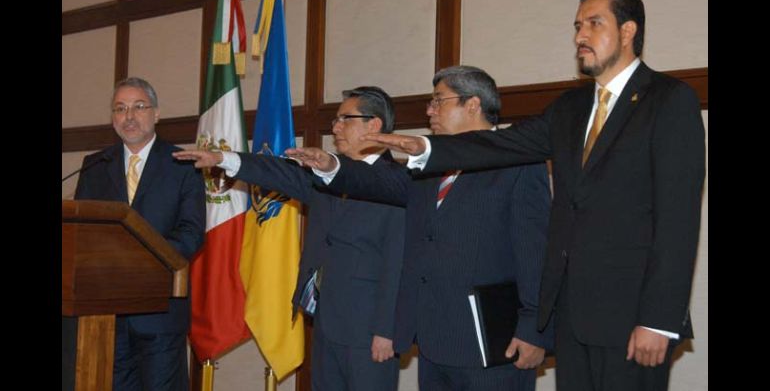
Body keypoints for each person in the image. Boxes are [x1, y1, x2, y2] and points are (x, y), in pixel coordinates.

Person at [347, 0, 706, 391]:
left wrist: (658, 318)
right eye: (576, 26)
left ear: (627, 31)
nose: (579, 36)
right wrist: (427, 148)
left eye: (593, 23)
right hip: (571, 316)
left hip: (631, 316)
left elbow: (678, 221)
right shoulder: (570, 108)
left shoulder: (668, 100)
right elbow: (499, 144)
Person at [287, 66, 552, 391]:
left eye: (439, 101)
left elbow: (536, 252)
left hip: (492, 344)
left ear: (472, 105)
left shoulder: (517, 162)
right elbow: (380, 188)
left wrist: (534, 329)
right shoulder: (431, 168)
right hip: (433, 342)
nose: (429, 110)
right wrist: (331, 167)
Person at [173, 86, 405, 391]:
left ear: (373, 125)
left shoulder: (398, 182)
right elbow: (278, 172)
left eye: (344, 119)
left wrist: (386, 331)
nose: (334, 128)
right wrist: (222, 158)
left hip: (370, 331)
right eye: (334, 120)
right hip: (325, 322)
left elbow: (399, 262)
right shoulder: (328, 172)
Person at [72, 77, 206, 391]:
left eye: (138, 107)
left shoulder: (183, 164)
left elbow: (191, 234)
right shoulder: (95, 165)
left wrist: (138, 265)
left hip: (160, 311)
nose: (129, 116)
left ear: (156, 114)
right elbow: (83, 236)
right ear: (112, 118)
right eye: (120, 108)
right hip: (105, 317)